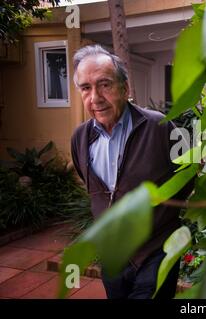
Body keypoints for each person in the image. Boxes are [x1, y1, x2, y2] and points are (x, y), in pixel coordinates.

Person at [70, 44, 191, 299]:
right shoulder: (80, 138)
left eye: (104, 85)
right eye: (86, 88)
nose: (95, 98)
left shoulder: (159, 127)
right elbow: (95, 188)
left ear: (125, 89)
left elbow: (186, 178)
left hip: (155, 252)